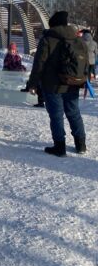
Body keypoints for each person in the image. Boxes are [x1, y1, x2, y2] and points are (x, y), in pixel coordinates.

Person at [28, 11, 88, 157]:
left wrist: (33, 83)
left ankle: (59, 147)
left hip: (52, 85)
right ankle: (81, 145)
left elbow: (39, 63)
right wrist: (84, 80)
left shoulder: (48, 38)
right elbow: (86, 61)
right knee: (74, 113)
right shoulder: (77, 38)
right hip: (73, 82)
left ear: (53, 24)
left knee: (56, 116)